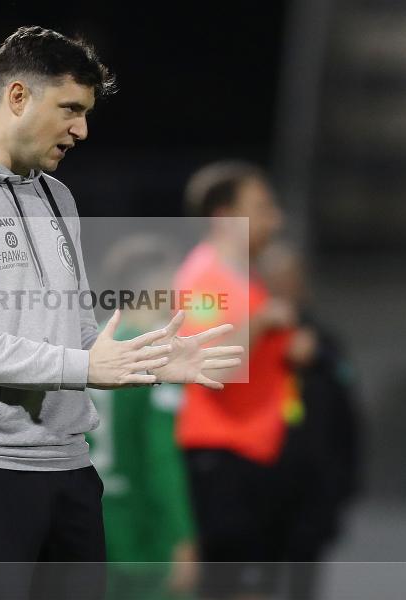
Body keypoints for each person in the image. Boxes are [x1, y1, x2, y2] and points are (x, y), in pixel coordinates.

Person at [0, 26, 242, 600]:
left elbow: (78, 331)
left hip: (69, 467)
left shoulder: (58, 197)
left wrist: (146, 355)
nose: (81, 129)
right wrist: (84, 368)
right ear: (18, 97)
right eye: (70, 109)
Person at [173, 161, 297, 599]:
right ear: (225, 218)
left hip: (250, 455)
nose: (275, 220)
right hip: (222, 457)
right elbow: (210, 366)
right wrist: (262, 322)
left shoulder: (243, 277)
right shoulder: (204, 280)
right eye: (262, 208)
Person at [87, 235, 199, 600]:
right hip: (143, 526)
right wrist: (182, 534)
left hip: (87, 519)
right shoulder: (157, 354)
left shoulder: (85, 349)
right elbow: (160, 455)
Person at [259, 242, 362, 600]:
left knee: (305, 581)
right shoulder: (246, 339)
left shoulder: (326, 344)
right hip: (260, 487)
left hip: (313, 489)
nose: (285, 287)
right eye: (275, 279)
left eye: (291, 279)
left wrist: (345, 485)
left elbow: (346, 417)